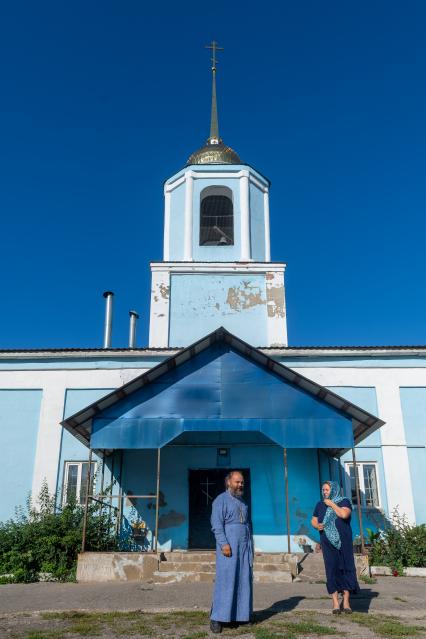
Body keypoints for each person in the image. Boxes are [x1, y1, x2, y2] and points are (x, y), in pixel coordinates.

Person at [209, 470, 253, 634]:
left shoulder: (243, 502)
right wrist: (224, 543)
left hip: (243, 547)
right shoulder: (221, 500)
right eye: (237, 482)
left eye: (242, 482)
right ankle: (217, 618)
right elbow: (216, 524)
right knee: (226, 581)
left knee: (242, 580)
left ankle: (240, 616)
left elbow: (247, 524)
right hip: (229, 546)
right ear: (229, 482)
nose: (240, 485)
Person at [311, 480, 359, 614]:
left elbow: (343, 514)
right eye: (323, 490)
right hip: (327, 542)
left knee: (346, 568)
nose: (324, 492)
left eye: (326, 490)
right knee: (331, 569)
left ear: (333, 490)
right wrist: (316, 525)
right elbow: (313, 519)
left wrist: (332, 504)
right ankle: (335, 603)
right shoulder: (320, 505)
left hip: (344, 542)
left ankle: (347, 602)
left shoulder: (344, 501)